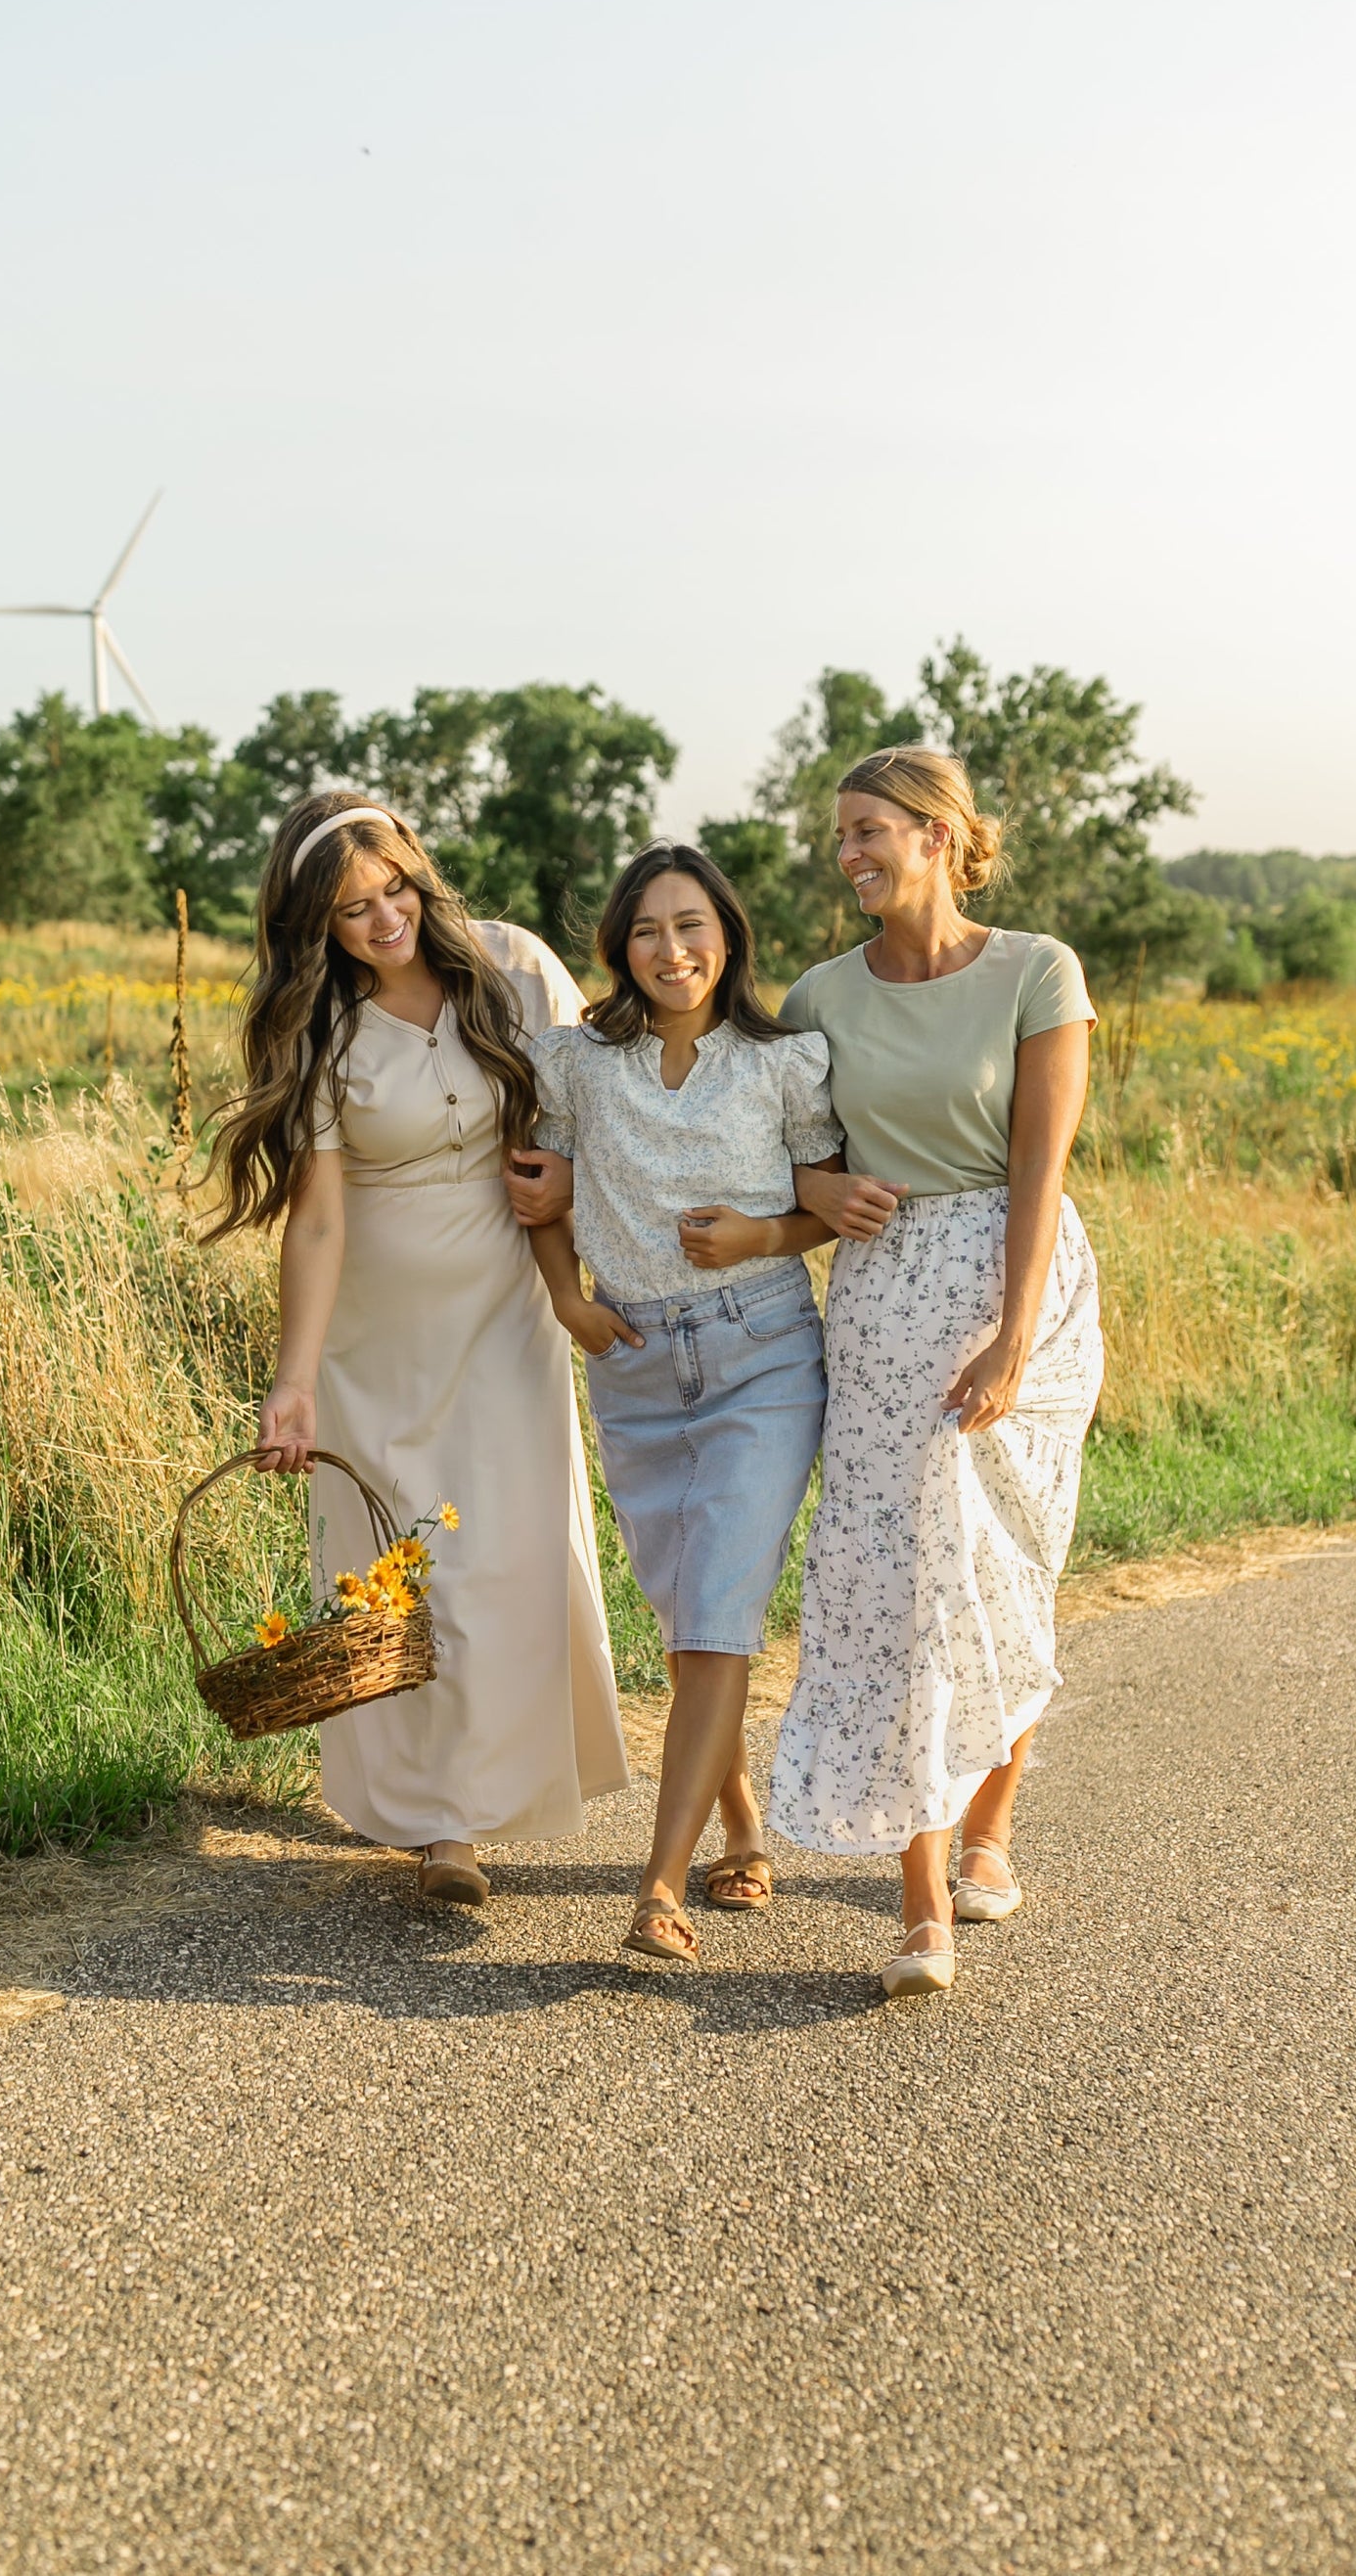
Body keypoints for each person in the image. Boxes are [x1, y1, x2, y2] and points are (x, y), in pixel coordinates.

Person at [207, 792, 629, 1903]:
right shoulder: (319, 1024)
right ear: (313, 925)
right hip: (376, 1340)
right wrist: (291, 1383)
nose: (384, 918)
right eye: (352, 910)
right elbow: (319, 1217)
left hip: (507, 1308)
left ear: (419, 875)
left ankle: (490, 1790)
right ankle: (445, 1825)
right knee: (404, 1570)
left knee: (503, 1553)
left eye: (395, 888)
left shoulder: (513, 968)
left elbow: (602, 1105)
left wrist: (583, 1194)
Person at [769, 745, 1104, 1999]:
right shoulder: (817, 1000)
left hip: (1025, 1289)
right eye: (840, 835)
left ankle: (988, 1828)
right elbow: (782, 1157)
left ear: (936, 833)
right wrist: (814, 1189)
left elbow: (1039, 1170)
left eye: (866, 830)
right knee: (899, 1582)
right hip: (882, 1299)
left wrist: (1014, 1337)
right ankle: (918, 1905)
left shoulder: (1034, 971)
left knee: (1011, 1571)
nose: (847, 853)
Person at [522, 843, 843, 1967]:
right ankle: (741, 1823)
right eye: (649, 930)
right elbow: (541, 1192)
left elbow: (826, 1205)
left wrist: (763, 1234)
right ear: (617, 947)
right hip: (633, 1359)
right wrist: (568, 1301)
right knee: (682, 1616)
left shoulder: (782, 1062)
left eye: (693, 924)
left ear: (728, 935)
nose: (674, 950)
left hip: (761, 1352)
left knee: (717, 1608)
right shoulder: (573, 1064)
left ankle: (657, 1884)